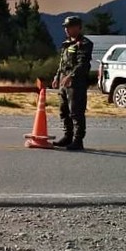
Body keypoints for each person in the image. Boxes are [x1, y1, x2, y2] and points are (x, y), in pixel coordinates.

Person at [52, 15, 93, 151]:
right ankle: (67, 136)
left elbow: (83, 63)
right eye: (65, 27)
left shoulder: (85, 43)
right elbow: (62, 63)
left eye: (69, 27)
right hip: (64, 82)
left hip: (76, 83)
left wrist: (71, 75)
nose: (66, 30)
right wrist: (57, 76)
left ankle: (77, 140)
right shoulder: (66, 44)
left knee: (76, 112)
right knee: (64, 111)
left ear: (77, 27)